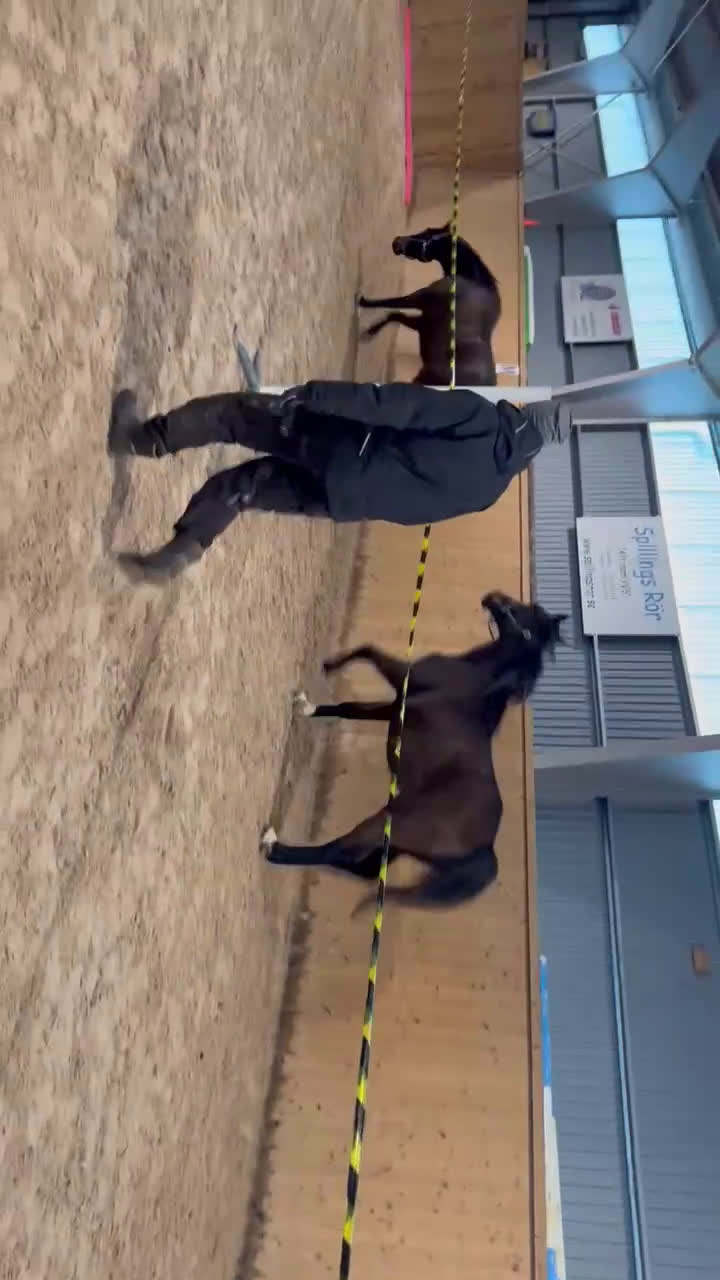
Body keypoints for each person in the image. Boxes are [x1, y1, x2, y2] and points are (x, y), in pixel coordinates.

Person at [108, 381, 573, 581]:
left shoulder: (481, 418)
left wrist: (317, 394)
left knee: (234, 415)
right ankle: (183, 550)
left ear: (529, 412)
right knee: (245, 486)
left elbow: (396, 404)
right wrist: (360, 499)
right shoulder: (492, 491)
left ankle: (141, 440)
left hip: (342, 449)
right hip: (344, 501)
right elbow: (419, 513)